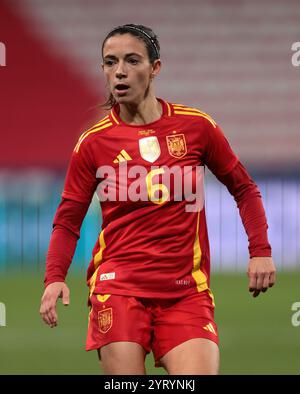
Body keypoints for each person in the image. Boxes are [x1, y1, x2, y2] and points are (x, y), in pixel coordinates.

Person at [39, 24, 276, 375]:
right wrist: (54, 277)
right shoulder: (93, 142)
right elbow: (68, 220)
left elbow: (244, 189)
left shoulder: (197, 127)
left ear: (155, 68)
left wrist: (260, 252)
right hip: (117, 288)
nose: (119, 71)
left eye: (131, 60)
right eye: (109, 62)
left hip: (185, 291)